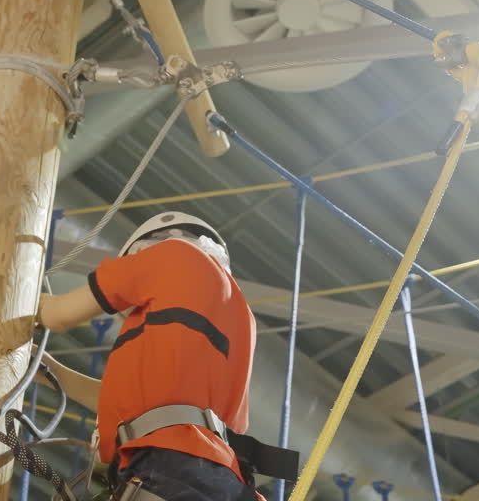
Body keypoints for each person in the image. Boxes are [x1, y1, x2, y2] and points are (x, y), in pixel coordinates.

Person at [37, 212, 297, 501]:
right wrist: (48, 369)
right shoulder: (240, 320)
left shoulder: (172, 254)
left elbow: (55, 315)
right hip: (225, 482)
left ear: (141, 250)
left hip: (167, 468)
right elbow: (144, 409)